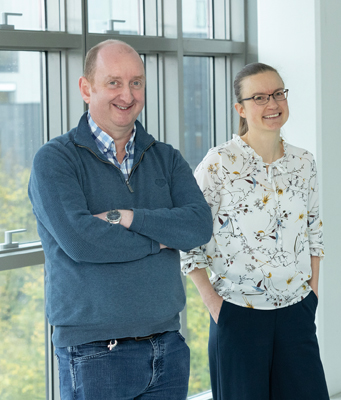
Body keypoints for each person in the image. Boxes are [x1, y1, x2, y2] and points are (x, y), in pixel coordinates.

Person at [27, 39, 213, 399]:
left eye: (136, 82)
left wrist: (128, 217)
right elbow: (82, 240)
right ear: (86, 88)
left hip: (169, 346)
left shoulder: (166, 158)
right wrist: (159, 239)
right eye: (114, 82)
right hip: (94, 351)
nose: (127, 95)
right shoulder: (55, 160)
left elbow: (197, 227)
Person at [180, 62, 328, 400]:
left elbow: (314, 234)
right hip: (237, 313)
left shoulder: (303, 162)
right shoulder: (218, 163)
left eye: (278, 94)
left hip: (297, 311)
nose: (272, 104)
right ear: (241, 108)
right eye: (259, 97)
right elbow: (189, 241)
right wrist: (216, 306)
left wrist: (312, 296)